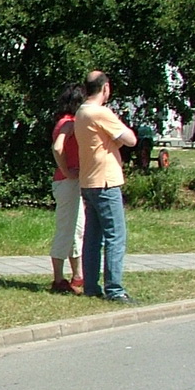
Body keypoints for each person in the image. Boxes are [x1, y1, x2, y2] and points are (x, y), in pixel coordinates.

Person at [73, 71, 137, 302]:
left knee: (92, 236)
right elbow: (130, 139)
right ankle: (115, 289)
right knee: (115, 236)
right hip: (106, 180)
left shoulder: (81, 112)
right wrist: (116, 138)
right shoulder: (100, 112)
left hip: (89, 180)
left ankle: (91, 285)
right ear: (106, 88)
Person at [48, 83, 86, 294]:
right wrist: (67, 169)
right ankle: (58, 278)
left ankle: (78, 275)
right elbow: (57, 147)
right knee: (66, 229)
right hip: (67, 181)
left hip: (72, 182)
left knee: (77, 229)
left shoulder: (67, 122)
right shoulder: (68, 123)